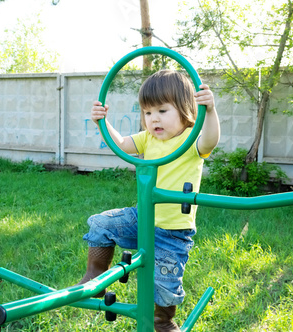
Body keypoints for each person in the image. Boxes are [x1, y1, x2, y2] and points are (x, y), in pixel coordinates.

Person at [78, 70, 220, 332]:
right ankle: (95, 277)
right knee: (100, 224)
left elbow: (211, 140)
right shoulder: (149, 138)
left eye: (162, 111)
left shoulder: (190, 139)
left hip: (173, 232)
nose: (153, 118)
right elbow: (120, 143)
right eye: (147, 112)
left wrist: (209, 111)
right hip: (141, 217)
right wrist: (102, 122)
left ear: (186, 109)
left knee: (164, 287)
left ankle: (162, 321)